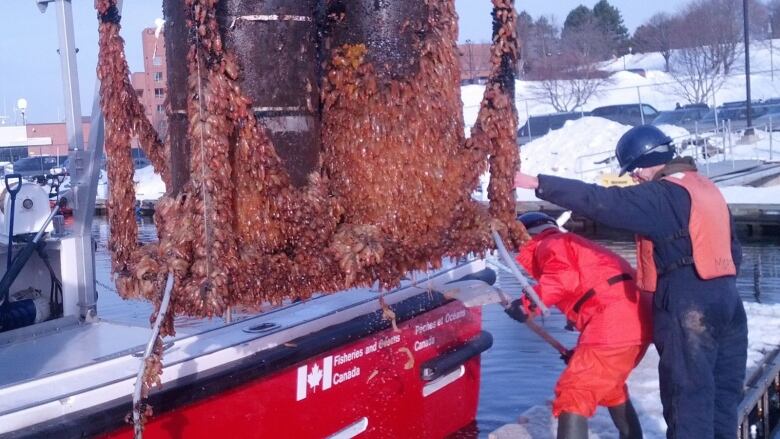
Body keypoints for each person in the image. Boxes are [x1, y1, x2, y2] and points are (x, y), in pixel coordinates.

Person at [514, 125, 747, 439]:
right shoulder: (705, 188)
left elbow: (599, 201)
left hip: (689, 303)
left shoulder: (663, 193)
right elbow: (734, 251)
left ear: (648, 161)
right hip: (729, 302)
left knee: (688, 399)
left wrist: (536, 183)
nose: (634, 177)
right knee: (722, 398)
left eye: (634, 169)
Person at [506, 211, 651, 439]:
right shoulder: (572, 245)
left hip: (615, 321)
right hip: (635, 319)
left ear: (526, 236)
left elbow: (563, 280)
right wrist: (582, 351)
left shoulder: (550, 243)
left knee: (574, 391)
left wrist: (527, 303)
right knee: (610, 386)